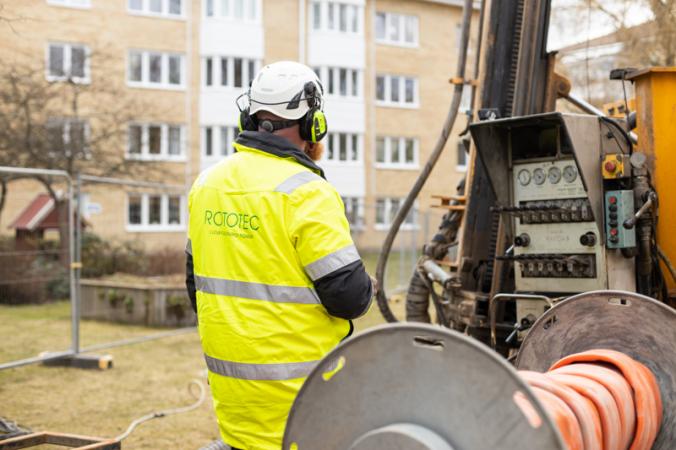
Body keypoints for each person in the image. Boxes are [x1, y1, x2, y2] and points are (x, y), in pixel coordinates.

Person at [185, 61, 374, 450]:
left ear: (249, 116)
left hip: (236, 407)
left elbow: (195, 289)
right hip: (304, 405)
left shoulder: (207, 185)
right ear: (313, 125)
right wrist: (368, 284)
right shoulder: (308, 192)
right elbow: (349, 298)